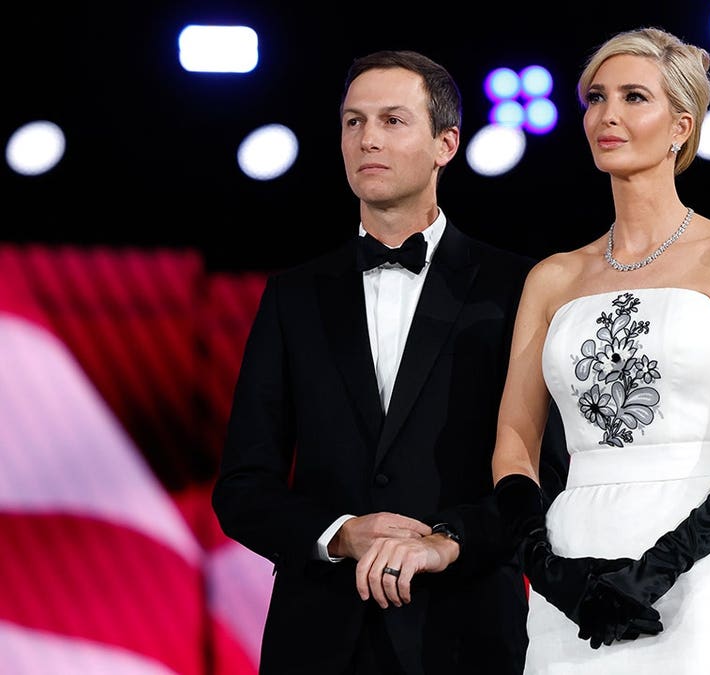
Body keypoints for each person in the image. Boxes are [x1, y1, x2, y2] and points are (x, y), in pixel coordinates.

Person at [488, 27, 710, 673]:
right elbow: (514, 442)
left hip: (703, 552)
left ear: (681, 125)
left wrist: (664, 564)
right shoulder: (553, 277)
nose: (608, 115)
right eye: (596, 98)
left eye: (634, 97)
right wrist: (548, 570)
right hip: (577, 556)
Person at [211, 49, 568, 675]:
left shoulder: (517, 288)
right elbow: (243, 487)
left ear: (446, 143)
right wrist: (341, 533)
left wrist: (446, 542)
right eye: (353, 122)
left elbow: (548, 472)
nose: (367, 138)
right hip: (318, 641)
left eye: (392, 120)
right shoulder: (293, 296)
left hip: (466, 636)